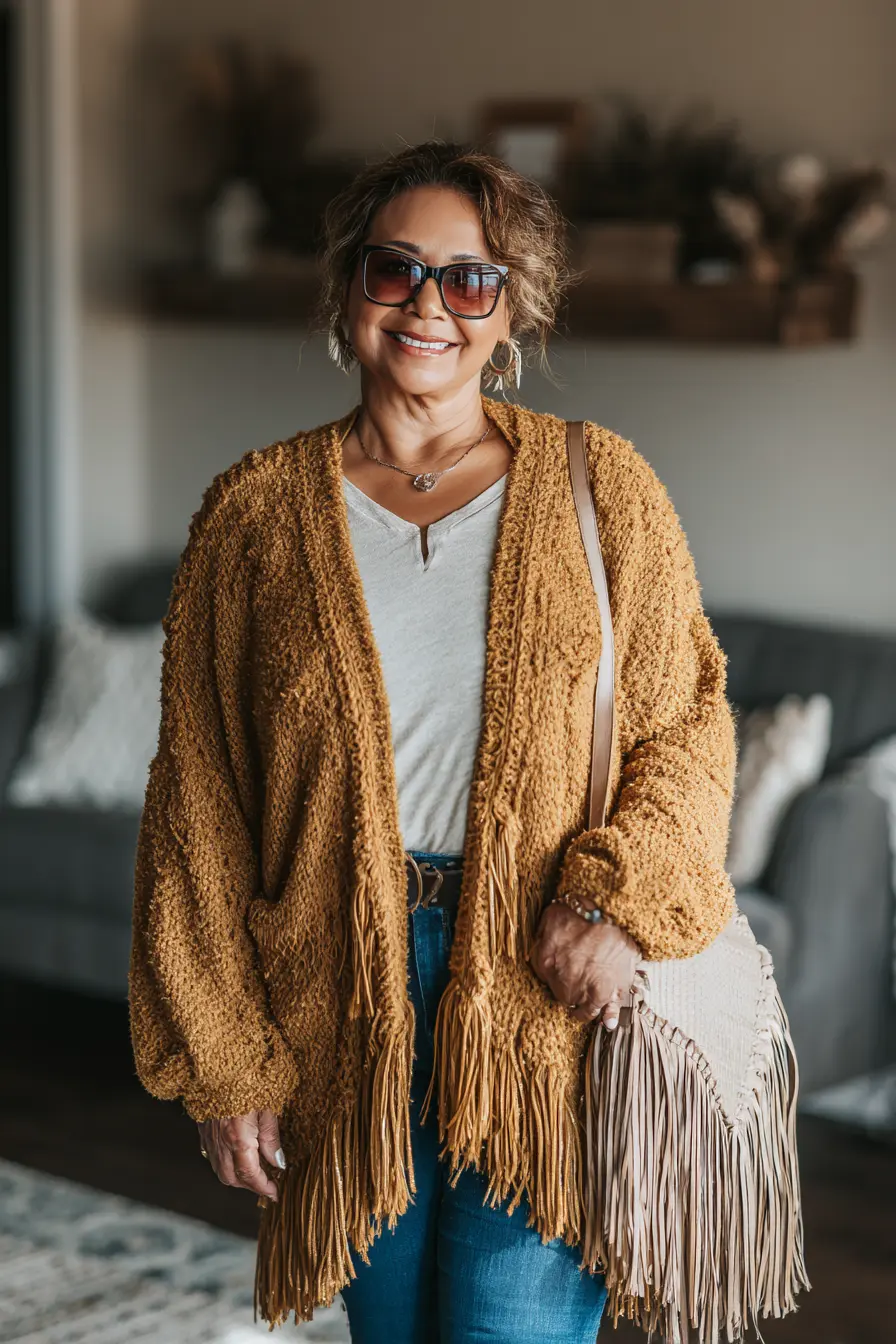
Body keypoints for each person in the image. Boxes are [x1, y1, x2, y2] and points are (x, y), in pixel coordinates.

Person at [129, 139, 738, 1344]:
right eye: (394, 269)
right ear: (346, 289)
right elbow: (197, 797)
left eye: (468, 280)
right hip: (334, 1001)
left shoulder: (600, 488)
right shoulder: (252, 516)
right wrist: (221, 1059)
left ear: (511, 310)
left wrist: (617, 903)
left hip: (538, 986)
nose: (427, 306)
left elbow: (689, 720)